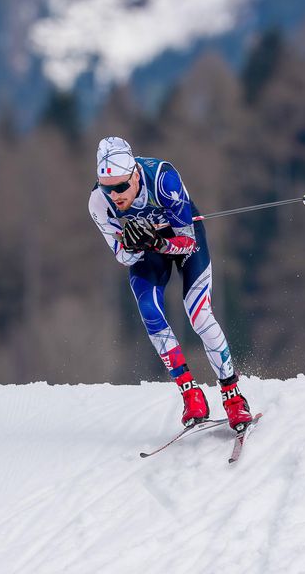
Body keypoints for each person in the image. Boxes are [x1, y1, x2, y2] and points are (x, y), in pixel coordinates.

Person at [88, 136, 253, 431]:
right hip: (149, 251)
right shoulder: (99, 204)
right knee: (150, 311)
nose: (115, 195)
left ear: (136, 174)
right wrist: (134, 245)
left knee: (199, 314)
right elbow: (123, 258)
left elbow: (187, 243)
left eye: (122, 187)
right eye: (107, 188)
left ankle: (233, 396)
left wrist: (155, 240)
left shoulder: (164, 179)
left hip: (181, 237)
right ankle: (191, 394)